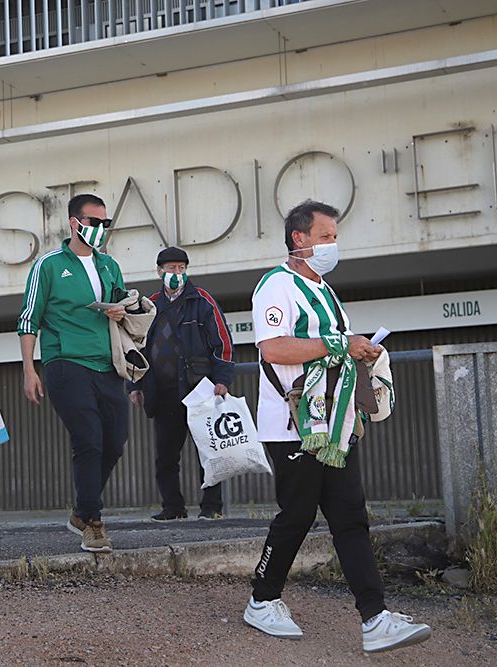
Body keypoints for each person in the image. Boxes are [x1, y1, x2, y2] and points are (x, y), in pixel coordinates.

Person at [244, 200, 431, 653]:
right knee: (298, 514)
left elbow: (334, 350)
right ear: (299, 239)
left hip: (335, 425)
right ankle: (262, 600)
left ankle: (376, 617)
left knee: (350, 516)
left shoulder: (327, 291)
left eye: (334, 236)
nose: (333, 245)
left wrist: (359, 350)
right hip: (292, 425)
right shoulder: (276, 286)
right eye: (326, 236)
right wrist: (339, 343)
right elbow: (274, 349)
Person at [18, 194, 128, 553]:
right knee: (89, 438)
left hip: (108, 363)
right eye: (93, 222)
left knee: (116, 440)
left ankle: (82, 509)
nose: (99, 229)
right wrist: (29, 370)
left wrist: (121, 311)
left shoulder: (110, 265)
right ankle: (94, 523)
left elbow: (123, 305)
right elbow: (28, 318)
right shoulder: (47, 265)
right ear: (74, 222)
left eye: (104, 223)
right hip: (65, 362)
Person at [128, 247, 235, 521]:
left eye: (180, 268)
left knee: (208, 451)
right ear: (159, 271)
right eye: (170, 268)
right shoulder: (149, 304)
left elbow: (222, 342)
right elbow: (135, 346)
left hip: (199, 388)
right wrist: (135, 385)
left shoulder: (202, 300)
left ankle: (212, 508)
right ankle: (172, 508)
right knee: (165, 456)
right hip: (162, 392)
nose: (176, 274)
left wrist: (222, 379)